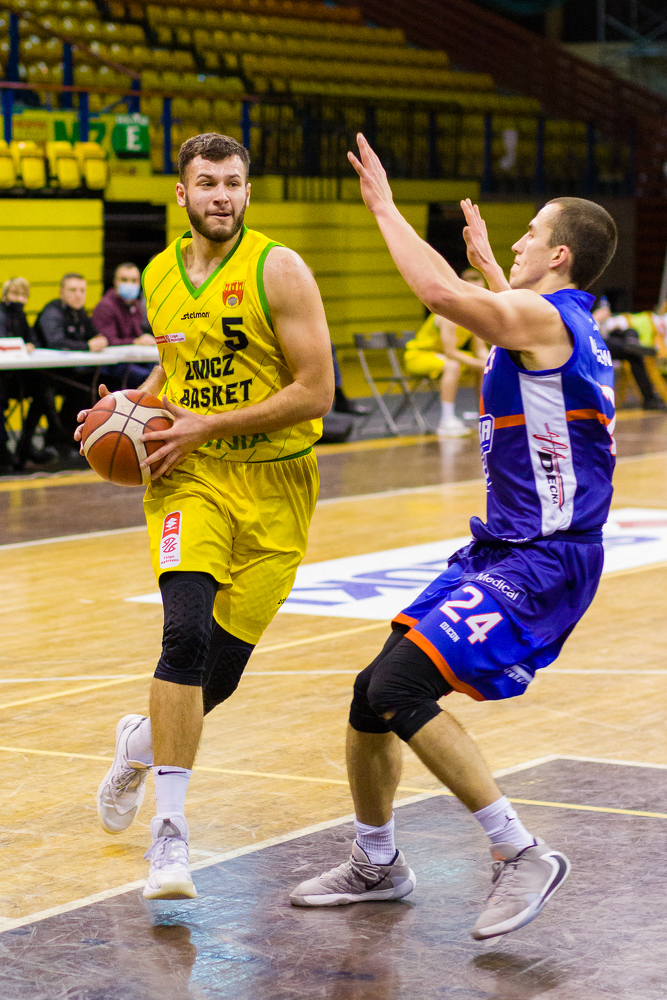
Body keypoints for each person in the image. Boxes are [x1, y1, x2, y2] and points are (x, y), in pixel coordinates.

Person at [290, 135, 617, 942]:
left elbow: (437, 293)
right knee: (370, 695)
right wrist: (497, 274)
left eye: (530, 233)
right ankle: (376, 862)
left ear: (561, 255)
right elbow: (520, 337)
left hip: (542, 560)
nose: (517, 240)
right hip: (504, 549)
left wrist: (383, 207)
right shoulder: (555, 323)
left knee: (401, 686)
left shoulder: (547, 319)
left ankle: (520, 852)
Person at [74, 133, 333, 900]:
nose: (222, 195)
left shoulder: (278, 269)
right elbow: (176, 366)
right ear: (181, 193)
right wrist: (134, 409)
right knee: (182, 637)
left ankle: (139, 743)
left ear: (247, 191)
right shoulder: (158, 274)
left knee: (215, 677)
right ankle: (171, 836)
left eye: (233, 182)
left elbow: (316, 391)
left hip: (279, 486)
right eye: (208, 182)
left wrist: (207, 423)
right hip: (190, 477)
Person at [403, 267, 489, 437]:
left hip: (447, 356)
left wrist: (488, 364)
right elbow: (451, 352)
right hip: (419, 355)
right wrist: (481, 363)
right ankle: (446, 420)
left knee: (484, 368)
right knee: (452, 365)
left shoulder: (475, 314)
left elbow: (480, 350)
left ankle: (484, 414)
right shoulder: (449, 312)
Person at [33, 273, 107, 457]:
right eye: (73, 290)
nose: (78, 295)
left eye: (82, 290)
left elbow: (96, 335)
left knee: (93, 385)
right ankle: (58, 439)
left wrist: (100, 340)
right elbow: (56, 342)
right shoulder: (52, 312)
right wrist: (88, 346)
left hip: (68, 373)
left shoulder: (80, 313)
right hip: (42, 375)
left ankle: (72, 440)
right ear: (61, 292)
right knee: (50, 393)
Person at [592, 299, 667, 411]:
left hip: (608, 336)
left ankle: (631, 344)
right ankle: (649, 399)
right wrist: (595, 318)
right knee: (632, 353)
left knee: (630, 333)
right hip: (595, 345)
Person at [92, 262, 156, 389]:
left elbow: (137, 333)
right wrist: (137, 341)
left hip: (132, 360)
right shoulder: (105, 306)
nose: (129, 284)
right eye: (124, 280)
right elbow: (108, 341)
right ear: (115, 282)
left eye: (134, 280)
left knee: (160, 370)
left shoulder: (135, 305)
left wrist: (145, 340)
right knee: (149, 377)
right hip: (112, 365)